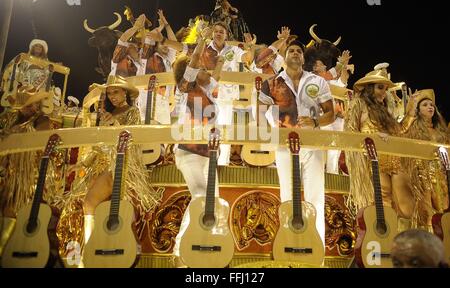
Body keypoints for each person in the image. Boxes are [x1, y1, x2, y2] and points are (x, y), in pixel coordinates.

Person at [56, 76, 163, 266]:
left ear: (125, 93)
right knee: (80, 203)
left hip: (119, 167)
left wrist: (113, 123)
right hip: (100, 166)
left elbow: (130, 137)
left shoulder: (133, 112)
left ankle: (90, 249)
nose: (112, 97)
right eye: (109, 93)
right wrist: (84, 164)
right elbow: (100, 146)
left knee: (90, 203)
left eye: (116, 92)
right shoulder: (108, 116)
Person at [258, 40, 335, 246]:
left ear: (303, 57)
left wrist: (316, 121)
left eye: (299, 51)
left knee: (315, 196)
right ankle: (289, 243)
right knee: (287, 195)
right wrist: (270, 134)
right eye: (291, 50)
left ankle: (315, 246)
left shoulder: (317, 81)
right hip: (284, 145)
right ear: (284, 56)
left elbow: (331, 114)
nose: (295, 53)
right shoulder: (271, 83)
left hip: (312, 144)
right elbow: (259, 112)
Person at [148, 20, 253, 165]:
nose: (218, 34)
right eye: (215, 31)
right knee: (200, 132)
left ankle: (220, 165)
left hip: (225, 98)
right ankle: (197, 162)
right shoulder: (203, 47)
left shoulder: (233, 50)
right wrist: (163, 40)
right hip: (202, 96)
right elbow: (182, 47)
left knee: (222, 133)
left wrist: (250, 49)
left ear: (226, 35)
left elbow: (246, 58)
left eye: (221, 32)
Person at [170, 32, 225, 267]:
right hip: (189, 150)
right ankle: (180, 253)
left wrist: (220, 62)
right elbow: (192, 67)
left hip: (208, 153)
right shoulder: (186, 88)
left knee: (212, 200)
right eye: (202, 68)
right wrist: (201, 43)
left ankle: (203, 250)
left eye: (205, 69)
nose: (206, 71)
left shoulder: (207, 91)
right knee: (202, 197)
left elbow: (216, 78)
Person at [345, 66, 415, 230]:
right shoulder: (358, 104)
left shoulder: (384, 111)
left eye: (385, 88)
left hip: (393, 161)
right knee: (381, 202)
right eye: (380, 87)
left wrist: (410, 113)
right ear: (369, 88)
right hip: (372, 162)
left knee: (404, 205)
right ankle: (380, 239)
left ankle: (397, 241)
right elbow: (350, 133)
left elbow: (399, 131)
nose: (384, 92)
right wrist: (372, 141)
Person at [0, 89, 57, 255]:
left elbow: (38, 143)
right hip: (7, 171)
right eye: (27, 104)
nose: (31, 107)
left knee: (13, 206)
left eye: (33, 103)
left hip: (29, 175)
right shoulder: (12, 120)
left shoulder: (42, 120)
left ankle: (6, 248)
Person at [403, 89, 449, 231]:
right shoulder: (413, 129)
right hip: (421, 175)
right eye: (425, 105)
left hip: (441, 176)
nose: (430, 107)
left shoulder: (440, 130)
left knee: (443, 208)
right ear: (417, 109)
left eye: (431, 105)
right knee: (427, 211)